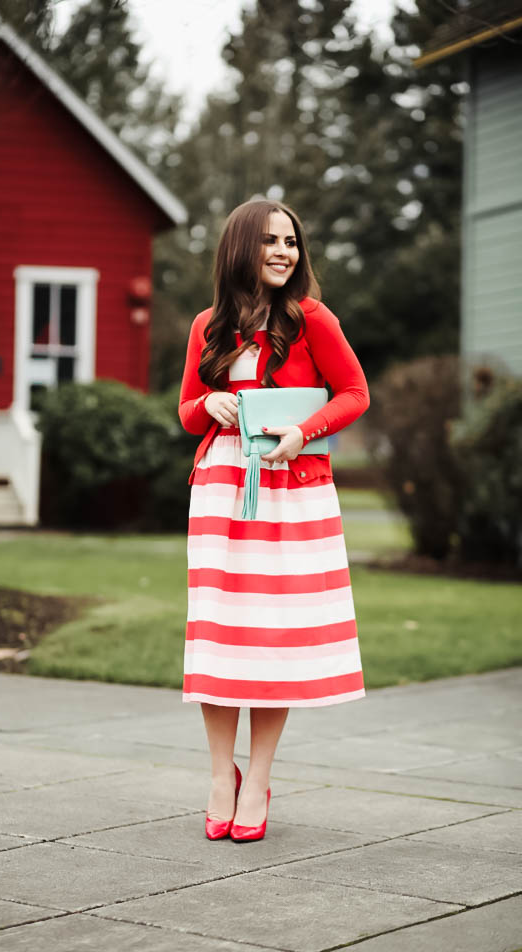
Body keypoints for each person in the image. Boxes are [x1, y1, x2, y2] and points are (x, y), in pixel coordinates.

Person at [178, 200, 370, 842]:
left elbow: (355, 393)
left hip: (293, 488)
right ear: (241, 249)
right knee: (221, 635)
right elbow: (185, 413)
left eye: (292, 241)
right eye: (270, 242)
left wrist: (301, 432)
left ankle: (257, 778)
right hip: (222, 486)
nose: (285, 252)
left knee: (273, 637)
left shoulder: (311, 317)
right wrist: (210, 401)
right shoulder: (208, 324)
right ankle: (217, 776)